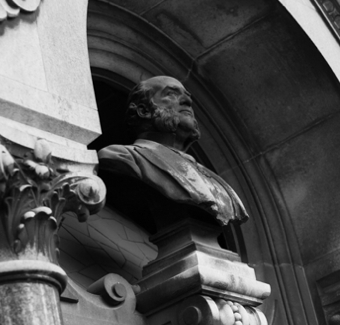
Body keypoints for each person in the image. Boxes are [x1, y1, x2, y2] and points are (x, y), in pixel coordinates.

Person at [98, 76, 249, 226]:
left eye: (187, 97)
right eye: (171, 94)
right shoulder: (122, 157)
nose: (187, 102)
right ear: (144, 111)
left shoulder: (215, 181)